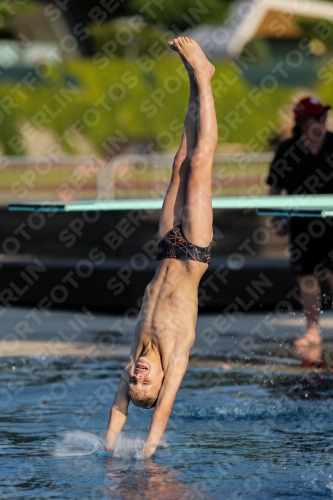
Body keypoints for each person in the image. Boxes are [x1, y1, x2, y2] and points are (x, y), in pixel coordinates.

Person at [105, 37, 217, 457]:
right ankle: (204, 77)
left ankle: (195, 77)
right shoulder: (174, 357)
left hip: (165, 245)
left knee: (179, 162)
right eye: (143, 384)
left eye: (132, 382)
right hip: (193, 250)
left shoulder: (136, 351)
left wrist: (111, 445)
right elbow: (162, 411)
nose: (136, 377)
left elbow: (118, 408)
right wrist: (147, 451)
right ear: (160, 381)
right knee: (202, 161)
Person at [267, 96, 333, 347]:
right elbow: (274, 188)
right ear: (303, 121)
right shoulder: (288, 150)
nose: (323, 121)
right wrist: (277, 218)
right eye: (318, 117)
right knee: (307, 278)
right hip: (302, 225)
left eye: (324, 116)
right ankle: (312, 330)